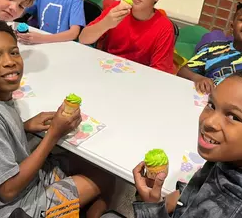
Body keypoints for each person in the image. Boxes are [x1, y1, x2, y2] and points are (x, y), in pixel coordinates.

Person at [0, 17, 113, 218]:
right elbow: (7, 191)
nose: (9, 61)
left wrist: (24, 126)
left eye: (14, 52)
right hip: (12, 209)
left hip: (27, 183)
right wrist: (53, 135)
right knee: (102, 179)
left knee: (97, 168)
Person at [103, 71, 242, 218]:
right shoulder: (228, 158)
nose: (209, 122)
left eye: (234, 117)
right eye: (212, 105)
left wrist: (151, 208)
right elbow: (201, 187)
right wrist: (167, 200)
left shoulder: (229, 207)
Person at [79, 0, 174, 73]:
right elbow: (83, 38)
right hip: (107, 70)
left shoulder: (165, 27)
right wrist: (106, 23)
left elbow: (160, 73)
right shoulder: (117, 8)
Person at [177, 3, 242, 94]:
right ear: (232, 26)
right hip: (207, 102)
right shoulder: (213, 48)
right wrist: (198, 78)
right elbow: (183, 71)